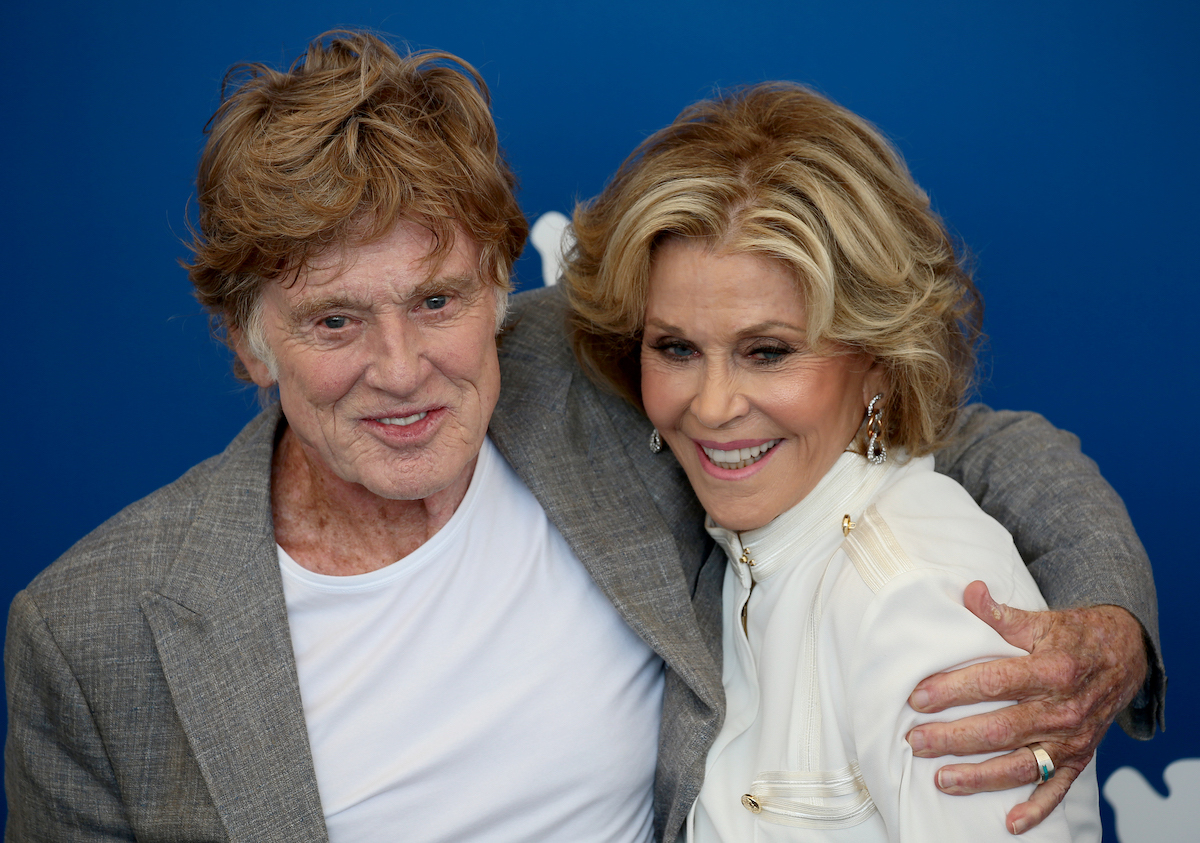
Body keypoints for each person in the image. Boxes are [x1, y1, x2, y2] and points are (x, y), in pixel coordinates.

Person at [4, 31, 1160, 843]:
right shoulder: (91, 637)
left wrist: (1105, 623)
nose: (403, 373)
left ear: (503, 288)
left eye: (440, 301)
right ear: (246, 341)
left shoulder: (597, 373)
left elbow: (957, 443)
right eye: (334, 320)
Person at [561, 82, 1157, 840]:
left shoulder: (918, 600)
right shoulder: (764, 547)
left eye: (767, 351)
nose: (711, 406)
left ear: (878, 359)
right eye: (675, 347)